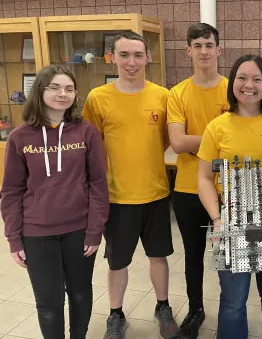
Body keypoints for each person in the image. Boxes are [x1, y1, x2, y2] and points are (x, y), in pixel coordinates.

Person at [0, 65, 109, 339]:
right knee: (49, 303)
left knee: (81, 294)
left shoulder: (86, 132)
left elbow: (98, 184)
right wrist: (14, 238)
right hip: (36, 234)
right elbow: (11, 190)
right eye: (55, 88)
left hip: (79, 232)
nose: (63, 94)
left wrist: (95, 230)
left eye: (69, 89)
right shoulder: (19, 137)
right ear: (40, 91)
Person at [197, 54, 262, 339]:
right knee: (232, 301)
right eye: (242, 77)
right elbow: (204, 179)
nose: (249, 85)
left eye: (257, 79)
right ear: (233, 83)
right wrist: (217, 220)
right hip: (231, 222)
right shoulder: (217, 127)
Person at [83, 31, 178, 339]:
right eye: (124, 55)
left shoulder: (162, 96)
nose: (132, 62)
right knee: (118, 261)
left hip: (155, 192)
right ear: (112, 57)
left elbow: (165, 139)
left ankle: (162, 306)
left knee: (159, 256)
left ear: (147, 57)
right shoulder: (98, 97)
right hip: (117, 196)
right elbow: (91, 146)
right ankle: (116, 313)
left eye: (138, 55)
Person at [167, 23, 228, 338]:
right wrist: (219, 138)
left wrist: (197, 142)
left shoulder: (233, 89)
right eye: (198, 45)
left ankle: (230, 309)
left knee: (228, 255)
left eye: (209, 44)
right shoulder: (178, 93)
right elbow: (177, 143)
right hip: (189, 188)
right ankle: (195, 310)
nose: (204, 51)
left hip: (228, 189)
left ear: (219, 49)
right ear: (188, 50)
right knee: (193, 255)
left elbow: (243, 135)